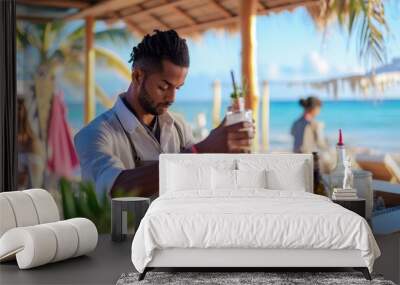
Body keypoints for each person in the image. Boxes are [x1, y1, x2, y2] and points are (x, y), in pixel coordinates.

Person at [74, 30, 255, 198]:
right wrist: (201, 151)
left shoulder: (179, 127)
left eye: (178, 88)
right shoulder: (94, 135)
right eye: (164, 86)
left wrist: (223, 152)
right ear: (137, 76)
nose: (172, 97)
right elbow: (116, 189)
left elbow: (201, 180)